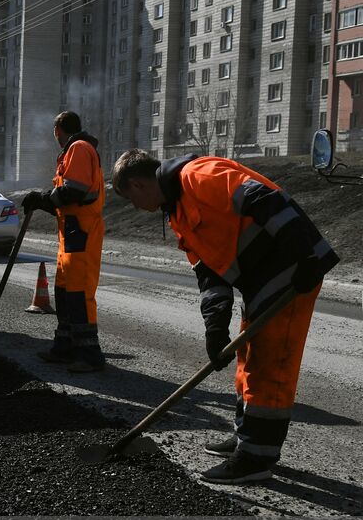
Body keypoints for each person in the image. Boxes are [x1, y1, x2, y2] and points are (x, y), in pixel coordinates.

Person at [111, 149, 337, 484]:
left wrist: (306, 256)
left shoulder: (199, 176)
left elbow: (266, 200)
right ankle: (246, 435)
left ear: (138, 184)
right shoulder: (177, 214)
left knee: (270, 364)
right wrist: (215, 328)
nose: (135, 207)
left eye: (131, 198)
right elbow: (209, 275)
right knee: (248, 356)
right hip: (259, 280)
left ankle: (256, 457)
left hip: (291, 270)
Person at [22, 111, 107, 373]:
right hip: (71, 232)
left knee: (79, 294)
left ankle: (90, 354)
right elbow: (68, 200)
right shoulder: (73, 151)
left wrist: (43, 197)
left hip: (81, 232)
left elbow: (74, 191)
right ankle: (66, 347)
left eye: (54, 132)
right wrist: (44, 201)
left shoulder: (79, 149)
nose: (55, 137)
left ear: (58, 129)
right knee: (65, 292)